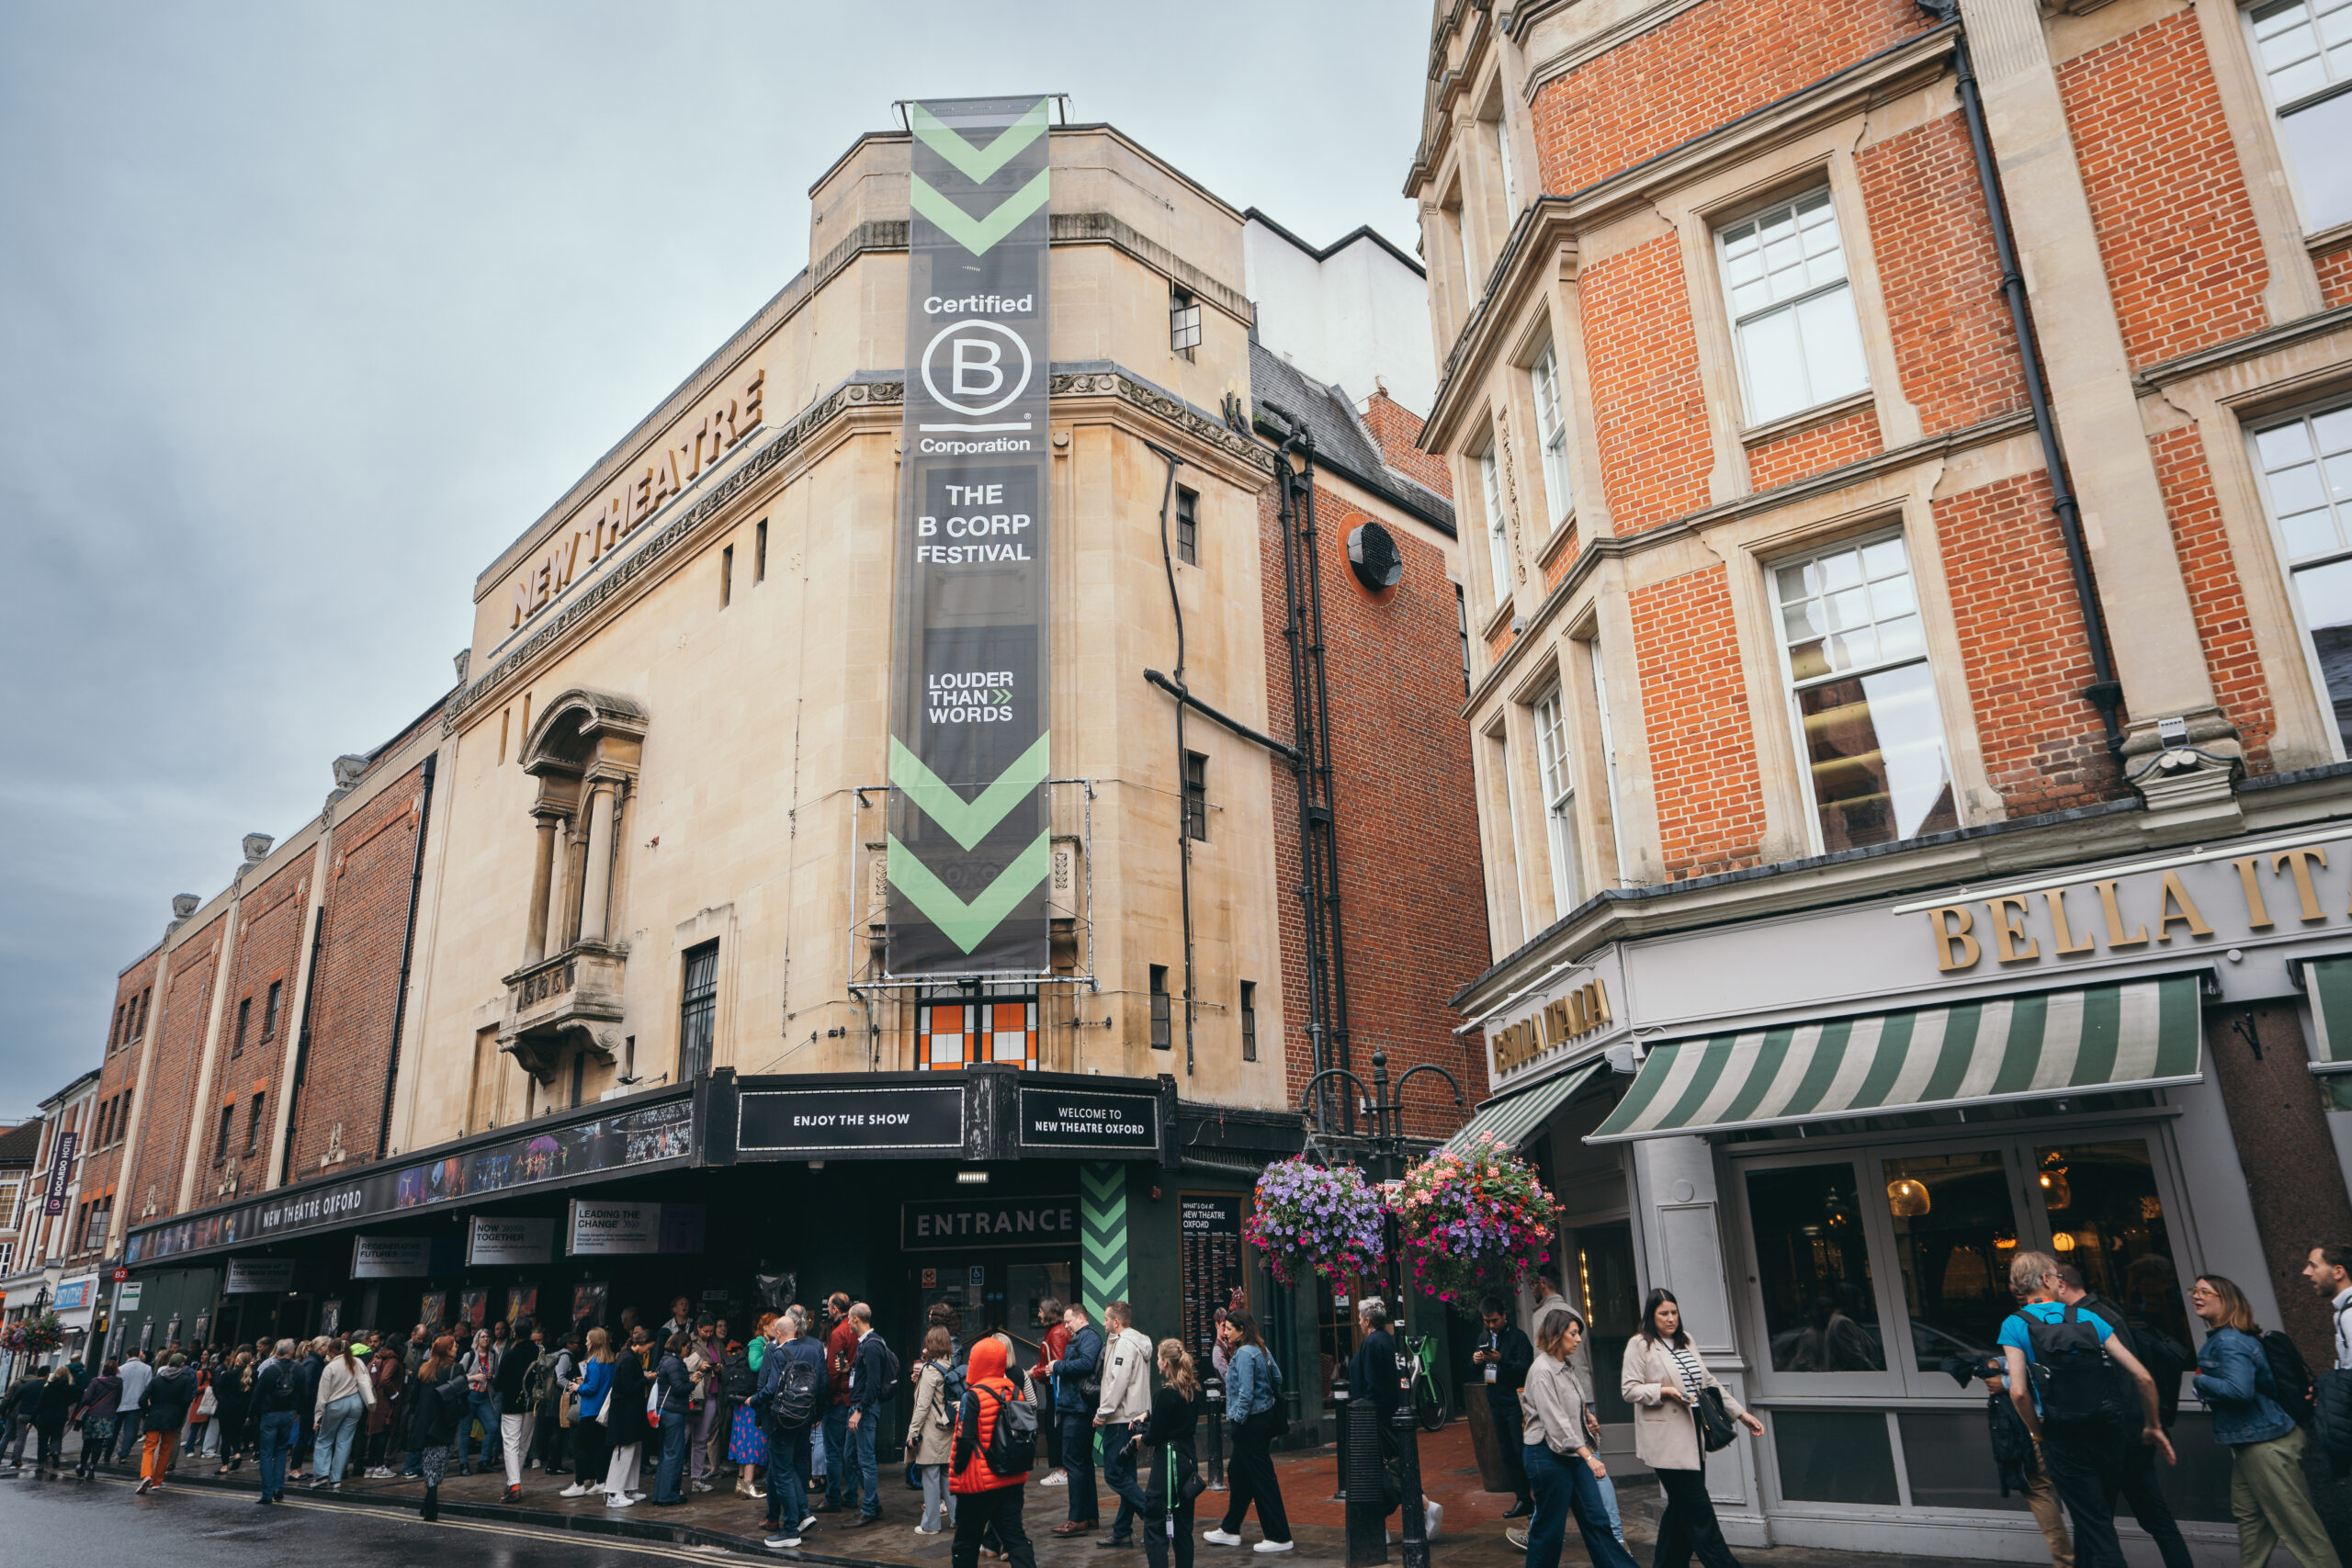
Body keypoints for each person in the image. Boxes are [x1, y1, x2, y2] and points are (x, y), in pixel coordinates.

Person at [1997, 1251, 2173, 1568]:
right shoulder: (2089, 1318)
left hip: (2061, 1439)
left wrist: (2037, 1432)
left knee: (2097, 1529)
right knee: (2095, 1520)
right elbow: (2144, 1377)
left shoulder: (2014, 1324)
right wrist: (2153, 1425)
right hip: (2108, 1432)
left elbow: (2019, 1392)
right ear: (2047, 1280)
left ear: (2020, 1287)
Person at [2190, 1274, 2343, 1568]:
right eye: (2194, 1291)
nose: (2196, 1296)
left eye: (2205, 1292)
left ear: (2226, 1300)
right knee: (2252, 1522)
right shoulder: (2234, 1336)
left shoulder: (2230, 1340)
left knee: (2300, 1529)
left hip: (2266, 1445)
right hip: (2252, 1441)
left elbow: (2238, 1391)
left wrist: (2201, 1382)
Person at [2052, 1264, 2189, 1568]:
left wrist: (2120, 1437)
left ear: (2061, 1285)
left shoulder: (2091, 1318)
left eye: (2046, 1284)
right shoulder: (2105, 1310)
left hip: (2119, 1439)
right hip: (2128, 1435)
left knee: (2096, 1523)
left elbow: (2126, 1380)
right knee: (2147, 1519)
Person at [1623, 1288, 1764, 1568]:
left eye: (1674, 1312)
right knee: (1700, 1513)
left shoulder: (1686, 1340)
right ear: (1651, 1315)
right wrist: (1664, 1391)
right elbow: (1629, 1390)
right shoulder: (1640, 1344)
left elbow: (1708, 1383)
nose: (1671, 1318)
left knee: (1681, 1511)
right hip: (1665, 1444)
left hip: (1694, 1439)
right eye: (1663, 1313)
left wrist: (1741, 1414)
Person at [1523, 1309, 1636, 1568]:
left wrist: (1586, 1417)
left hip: (1571, 1455)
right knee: (1549, 1530)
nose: (1578, 1340)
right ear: (1556, 1334)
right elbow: (1556, 1422)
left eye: (1579, 1334)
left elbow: (1570, 1408)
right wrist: (1590, 1458)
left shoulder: (1566, 1367)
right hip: (1546, 1456)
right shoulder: (1542, 1371)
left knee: (1597, 1521)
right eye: (1573, 1334)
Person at [1203, 1308, 1291, 1553]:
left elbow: (1245, 1392)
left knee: (1263, 1479)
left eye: (1229, 1329)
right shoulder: (1261, 1349)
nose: (1225, 1332)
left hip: (1250, 1424)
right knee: (1238, 1473)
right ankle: (1230, 1530)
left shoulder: (1243, 1354)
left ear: (1241, 1330)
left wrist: (1239, 1420)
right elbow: (1278, 1377)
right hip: (1263, 1419)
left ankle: (1280, 1536)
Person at [951, 1334, 1038, 1568]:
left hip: (978, 1483)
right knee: (1016, 1539)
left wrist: (957, 1470)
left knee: (965, 1544)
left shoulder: (972, 1395)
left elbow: (965, 1439)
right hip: (1011, 1478)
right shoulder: (1015, 1390)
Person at [762, 1303, 829, 1549]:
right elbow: (822, 1383)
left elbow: (766, 1385)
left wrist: (759, 1413)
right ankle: (802, 1513)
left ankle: (784, 1523)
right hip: (806, 1418)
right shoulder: (814, 1348)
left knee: (781, 1471)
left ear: (782, 1330)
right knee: (799, 1466)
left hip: (780, 1418)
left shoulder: (775, 1349)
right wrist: (816, 1413)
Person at [1097, 1300, 1156, 1548]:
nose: (1104, 1323)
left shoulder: (1123, 1345)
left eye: (1106, 1319)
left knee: (1113, 1474)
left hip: (1121, 1419)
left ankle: (1153, 1518)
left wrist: (1103, 1413)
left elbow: (1117, 1383)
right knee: (1127, 1475)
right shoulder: (1137, 1342)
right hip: (1135, 1417)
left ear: (1116, 1322)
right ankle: (1122, 1531)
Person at [1139, 1338, 1203, 1568]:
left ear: (1165, 1362)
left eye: (1158, 1358)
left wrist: (1141, 1439)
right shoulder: (1193, 1390)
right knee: (1183, 1527)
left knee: (1155, 1525)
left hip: (1167, 1462)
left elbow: (1155, 1435)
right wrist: (1148, 1415)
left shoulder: (1164, 1395)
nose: (1157, 1362)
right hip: (1188, 1458)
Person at [1473, 1294, 1536, 1518]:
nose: (1491, 1325)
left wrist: (1501, 1360)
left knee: (1522, 1451)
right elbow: (1474, 1371)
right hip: (1495, 1401)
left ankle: (1536, 1499)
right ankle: (1523, 1499)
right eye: (1487, 1321)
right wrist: (1476, 1361)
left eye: (1495, 1321)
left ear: (1504, 1316)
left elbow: (1525, 1369)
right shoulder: (1484, 1337)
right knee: (1507, 1452)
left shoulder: (1518, 1338)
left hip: (1515, 1401)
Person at [1048, 1301, 1103, 1537]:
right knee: (1081, 1462)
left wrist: (1057, 1366)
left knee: (1073, 1461)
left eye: (1069, 1322)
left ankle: (1077, 1518)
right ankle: (1089, 1516)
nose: (1066, 1327)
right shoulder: (1084, 1337)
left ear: (1081, 1317)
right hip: (1077, 1407)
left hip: (1077, 1409)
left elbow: (1086, 1363)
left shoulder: (1088, 1336)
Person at [910, 1324, 962, 1534]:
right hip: (948, 1427)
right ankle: (958, 1518)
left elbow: (922, 1406)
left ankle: (930, 1524)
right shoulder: (951, 1366)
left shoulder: (930, 1371)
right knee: (946, 1475)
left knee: (930, 1477)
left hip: (931, 1430)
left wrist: (913, 1432)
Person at [845, 1301, 893, 1525]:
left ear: (856, 1319)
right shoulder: (868, 1343)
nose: (847, 1322)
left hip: (863, 1408)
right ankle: (872, 1502)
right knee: (850, 1456)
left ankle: (870, 1507)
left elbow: (873, 1383)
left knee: (865, 1459)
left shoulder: (872, 1345)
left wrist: (860, 1410)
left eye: (848, 1318)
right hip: (858, 1406)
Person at [412, 1337, 468, 1523]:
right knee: (439, 1462)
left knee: (429, 1461)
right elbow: (462, 1395)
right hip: (444, 1421)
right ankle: (431, 1503)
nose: (456, 1348)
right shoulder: (456, 1369)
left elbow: (413, 1396)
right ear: (446, 1350)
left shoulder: (422, 1367)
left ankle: (428, 1501)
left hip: (424, 1422)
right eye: (453, 1346)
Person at [310, 1337, 375, 1489]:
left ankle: (321, 1475)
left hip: (336, 1404)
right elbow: (367, 1382)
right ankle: (336, 1478)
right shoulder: (358, 1362)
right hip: (356, 1404)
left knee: (324, 1439)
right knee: (345, 1441)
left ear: (333, 1351)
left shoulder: (331, 1367)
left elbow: (323, 1395)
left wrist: (318, 1416)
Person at [562, 1325, 616, 1499]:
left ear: (595, 1341)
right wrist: (585, 1383)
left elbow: (591, 1388)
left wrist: (578, 1386)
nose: (585, 1342)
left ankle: (579, 1484)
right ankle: (600, 1482)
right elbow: (601, 1385)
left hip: (589, 1410)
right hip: (602, 1411)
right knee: (599, 1447)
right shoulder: (609, 1361)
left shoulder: (593, 1362)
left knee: (580, 1447)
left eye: (587, 1339)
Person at [819, 1292, 859, 1514]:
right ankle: (851, 1494)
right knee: (850, 1452)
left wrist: (826, 1396)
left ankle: (832, 1497)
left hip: (837, 1399)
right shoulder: (856, 1330)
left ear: (834, 1309)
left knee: (833, 1452)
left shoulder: (838, 1333)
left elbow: (833, 1371)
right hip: (854, 1399)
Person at [252, 1338, 304, 1505]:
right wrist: (299, 1412)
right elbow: (305, 1393)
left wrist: (251, 1414)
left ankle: (267, 1493)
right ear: (291, 1352)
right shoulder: (299, 1369)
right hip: (289, 1414)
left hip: (270, 1414)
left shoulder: (270, 1370)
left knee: (266, 1453)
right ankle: (278, 1488)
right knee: (281, 1450)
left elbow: (257, 1394)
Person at [135, 1352, 196, 1493]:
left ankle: (146, 1475)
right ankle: (157, 1481)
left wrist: (147, 1412)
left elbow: (142, 1399)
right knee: (165, 1449)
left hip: (155, 1416)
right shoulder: (185, 1380)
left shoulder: (157, 1379)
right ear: (181, 1364)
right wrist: (180, 1414)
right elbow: (187, 1400)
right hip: (173, 1418)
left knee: (149, 1448)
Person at [602, 1325, 649, 1507]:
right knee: (623, 1451)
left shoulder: (630, 1356)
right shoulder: (628, 1358)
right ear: (643, 1343)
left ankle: (629, 1488)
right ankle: (614, 1493)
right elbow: (628, 1388)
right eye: (650, 1347)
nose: (649, 1351)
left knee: (634, 1450)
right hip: (624, 1413)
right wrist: (646, 1379)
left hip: (631, 1412)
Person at [492, 1315, 537, 1502]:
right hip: (532, 1403)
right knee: (523, 1444)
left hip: (512, 1404)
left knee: (511, 1445)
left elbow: (498, 1384)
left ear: (514, 1333)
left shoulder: (511, 1354)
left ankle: (515, 1486)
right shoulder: (538, 1351)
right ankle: (513, 1482)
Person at [650, 1329, 695, 1506]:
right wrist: (694, 1383)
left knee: (666, 1455)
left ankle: (660, 1495)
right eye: (687, 1347)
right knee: (674, 1455)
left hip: (664, 1411)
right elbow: (679, 1388)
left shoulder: (665, 1360)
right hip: (673, 1413)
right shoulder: (675, 1363)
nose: (688, 1351)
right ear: (680, 1345)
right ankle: (668, 1496)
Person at [733, 1313, 774, 1498]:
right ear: (764, 1327)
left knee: (744, 1441)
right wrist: (770, 1350)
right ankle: (748, 1485)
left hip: (747, 1400)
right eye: (774, 1325)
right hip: (751, 1401)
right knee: (751, 1441)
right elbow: (755, 1365)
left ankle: (741, 1484)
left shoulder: (763, 1343)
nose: (777, 1328)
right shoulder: (757, 1344)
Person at [1035, 1296, 1073, 1487]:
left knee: (1055, 1428)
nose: (1038, 1314)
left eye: (1041, 1310)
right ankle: (1060, 1469)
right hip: (1054, 1388)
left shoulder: (1056, 1333)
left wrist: (1034, 1372)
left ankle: (1061, 1471)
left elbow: (1056, 1365)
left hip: (1057, 1390)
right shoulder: (1054, 1331)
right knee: (1053, 1427)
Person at [72, 1360, 123, 1480]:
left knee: (87, 1442)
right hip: (107, 1417)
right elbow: (118, 1400)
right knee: (98, 1444)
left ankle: (82, 1466)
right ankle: (92, 1469)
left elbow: (86, 1399)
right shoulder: (118, 1383)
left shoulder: (96, 1381)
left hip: (91, 1415)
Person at [459, 1327, 499, 1475]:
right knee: (465, 1430)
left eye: (488, 1337)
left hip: (484, 1397)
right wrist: (474, 1377)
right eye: (483, 1337)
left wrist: (491, 1376)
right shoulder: (469, 1355)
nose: (486, 1339)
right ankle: (464, 1464)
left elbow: (496, 1374)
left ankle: (484, 1461)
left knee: (493, 1427)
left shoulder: (493, 1355)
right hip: (470, 1395)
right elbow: (459, 1376)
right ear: (477, 1339)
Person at [363, 1338, 405, 1477]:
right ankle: (379, 1467)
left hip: (376, 1398)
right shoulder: (392, 1360)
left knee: (376, 1434)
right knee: (383, 1433)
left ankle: (370, 1467)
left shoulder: (380, 1355)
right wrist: (395, 1394)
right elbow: (385, 1379)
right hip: (385, 1401)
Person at [290, 1336, 326, 1482]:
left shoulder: (314, 1361)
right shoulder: (312, 1363)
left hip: (309, 1405)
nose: (328, 1350)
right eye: (326, 1347)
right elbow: (305, 1386)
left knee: (304, 1437)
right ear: (321, 1347)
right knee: (303, 1437)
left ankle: (297, 1468)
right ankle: (294, 1470)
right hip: (308, 1406)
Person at [213, 1349, 254, 1472]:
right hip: (241, 1410)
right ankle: (237, 1453)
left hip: (226, 1408)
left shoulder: (227, 1375)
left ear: (238, 1360)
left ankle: (224, 1466)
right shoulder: (252, 1376)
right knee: (236, 1434)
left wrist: (222, 1400)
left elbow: (218, 1390)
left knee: (225, 1436)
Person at [114, 1348, 153, 1468]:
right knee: (131, 1430)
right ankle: (123, 1454)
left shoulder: (120, 1368)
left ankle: (112, 1453)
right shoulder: (147, 1369)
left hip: (120, 1403)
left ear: (127, 1355)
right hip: (136, 1405)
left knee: (117, 1430)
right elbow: (148, 1387)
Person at [31, 1367, 74, 1474]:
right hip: (59, 1417)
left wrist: (32, 1419)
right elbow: (72, 1400)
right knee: (56, 1437)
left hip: (45, 1417)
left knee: (42, 1441)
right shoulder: (69, 1389)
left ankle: (41, 1464)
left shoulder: (47, 1387)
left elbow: (39, 1404)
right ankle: (54, 1451)